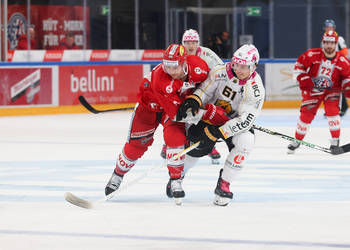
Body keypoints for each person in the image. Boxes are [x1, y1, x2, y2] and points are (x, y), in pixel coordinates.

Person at [105, 44, 210, 205]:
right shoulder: (161, 80)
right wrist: (205, 115)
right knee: (136, 146)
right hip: (149, 107)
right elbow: (177, 114)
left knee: (175, 138)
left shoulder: (199, 67)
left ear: (184, 62)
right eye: (166, 65)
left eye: (174, 66)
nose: (170, 70)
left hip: (174, 107)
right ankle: (117, 175)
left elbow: (209, 88)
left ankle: (176, 180)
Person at [175, 44, 265, 206]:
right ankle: (178, 176)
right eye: (236, 64)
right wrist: (195, 100)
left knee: (246, 142)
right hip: (209, 116)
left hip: (232, 123)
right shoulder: (219, 71)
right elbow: (204, 91)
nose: (238, 69)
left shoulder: (256, 89)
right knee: (195, 148)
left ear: (254, 66)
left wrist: (219, 132)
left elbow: (245, 120)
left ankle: (225, 183)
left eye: (244, 66)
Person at [160, 29, 224, 164]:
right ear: (183, 43)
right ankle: (168, 143)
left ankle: (209, 144)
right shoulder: (177, 54)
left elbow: (221, 71)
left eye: (194, 42)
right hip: (183, 89)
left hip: (203, 90)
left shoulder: (207, 54)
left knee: (206, 115)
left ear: (198, 43)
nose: (191, 46)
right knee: (177, 114)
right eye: (187, 42)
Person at [287, 30, 350, 154]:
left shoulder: (343, 61)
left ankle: (334, 142)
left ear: (336, 44)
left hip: (332, 91)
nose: (329, 46)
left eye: (332, 43)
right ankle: (297, 140)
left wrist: (347, 86)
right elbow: (299, 66)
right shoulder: (312, 54)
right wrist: (304, 78)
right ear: (323, 42)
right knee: (305, 116)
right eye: (326, 42)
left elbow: (347, 77)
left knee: (333, 113)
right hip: (313, 90)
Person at [323, 19, 349, 117]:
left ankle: (338, 108)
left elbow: (345, 52)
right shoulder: (324, 39)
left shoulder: (339, 39)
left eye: (330, 26)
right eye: (327, 27)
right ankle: (338, 108)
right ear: (324, 28)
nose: (328, 28)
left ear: (334, 28)